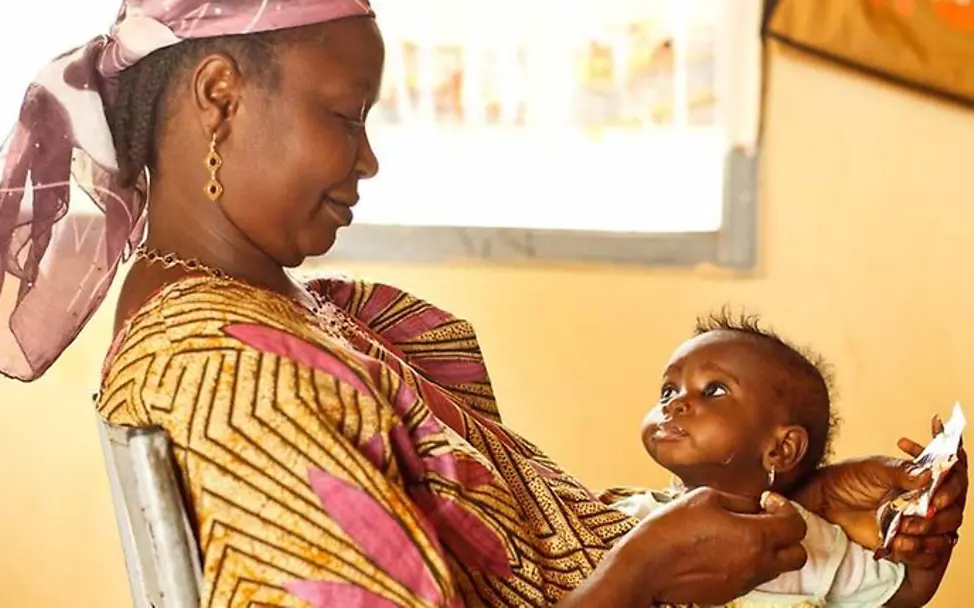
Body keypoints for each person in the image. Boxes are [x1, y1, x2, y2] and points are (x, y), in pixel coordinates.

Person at [0, 1, 965, 607]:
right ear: (219, 95)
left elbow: (526, 539)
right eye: (344, 116)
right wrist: (641, 579)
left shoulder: (276, 318)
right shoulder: (232, 374)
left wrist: (788, 502)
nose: (368, 159)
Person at [614, 313, 956, 606]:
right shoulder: (631, 520)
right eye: (668, 391)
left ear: (782, 448)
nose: (673, 404)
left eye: (713, 390)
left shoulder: (810, 541)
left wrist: (937, 516)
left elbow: (903, 593)